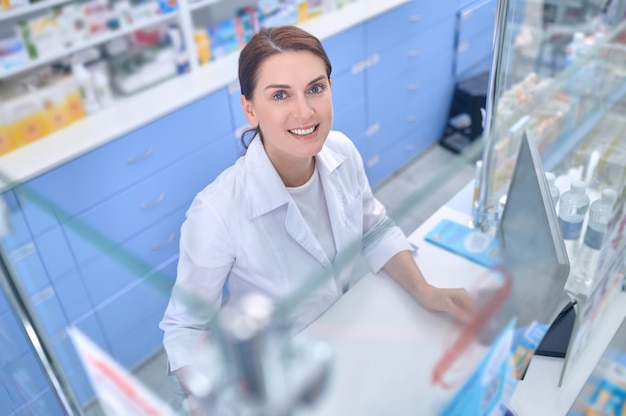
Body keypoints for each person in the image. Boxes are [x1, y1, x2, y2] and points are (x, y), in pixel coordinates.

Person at [159, 25, 476, 404]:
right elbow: (185, 326)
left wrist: (423, 289)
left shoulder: (341, 150)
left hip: (343, 333)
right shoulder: (217, 211)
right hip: (281, 373)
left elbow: (373, 228)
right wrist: (216, 396)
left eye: (315, 88)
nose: (305, 111)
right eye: (280, 95)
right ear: (250, 109)